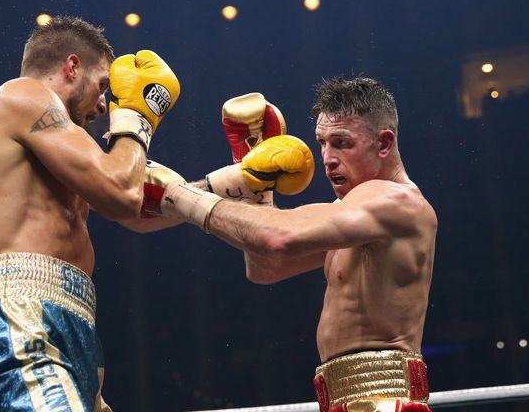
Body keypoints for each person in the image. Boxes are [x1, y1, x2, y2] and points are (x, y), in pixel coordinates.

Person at [148, 78, 437, 412]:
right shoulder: (354, 218)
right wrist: (257, 185)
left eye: (342, 143)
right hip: (348, 399)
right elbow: (265, 267)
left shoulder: (395, 201)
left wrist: (181, 195)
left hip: (384, 400)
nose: (328, 158)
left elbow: (277, 239)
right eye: (322, 143)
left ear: (383, 143)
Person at [0, 15, 180, 412]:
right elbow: (123, 193)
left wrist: (233, 184)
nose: (104, 104)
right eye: (104, 86)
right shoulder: (23, 96)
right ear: (72, 66)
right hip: (22, 312)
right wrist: (137, 118)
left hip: (71, 321)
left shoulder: (56, 138)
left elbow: (136, 213)